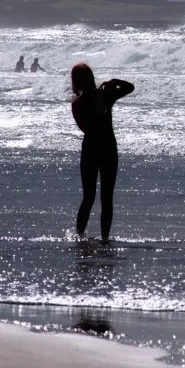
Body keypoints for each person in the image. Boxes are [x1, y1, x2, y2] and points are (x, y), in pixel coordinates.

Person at [70, 62, 134, 242]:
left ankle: (90, 237)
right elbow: (88, 127)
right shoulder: (84, 102)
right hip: (101, 149)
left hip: (96, 150)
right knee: (96, 198)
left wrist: (114, 81)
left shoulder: (102, 95)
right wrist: (100, 107)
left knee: (97, 197)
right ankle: (88, 237)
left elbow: (129, 88)